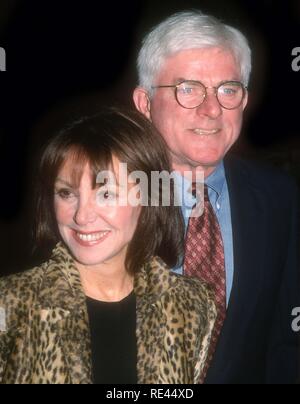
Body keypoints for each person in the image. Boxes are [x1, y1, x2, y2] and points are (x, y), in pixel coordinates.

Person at [133, 10, 300, 383]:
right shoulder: (99, 202)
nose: (211, 110)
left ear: (243, 101)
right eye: (188, 88)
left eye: (227, 89)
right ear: (145, 104)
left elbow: (286, 343)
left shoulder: (279, 198)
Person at [0, 108, 216, 384]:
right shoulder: (11, 303)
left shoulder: (193, 304)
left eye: (106, 194)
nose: (82, 215)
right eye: (66, 193)